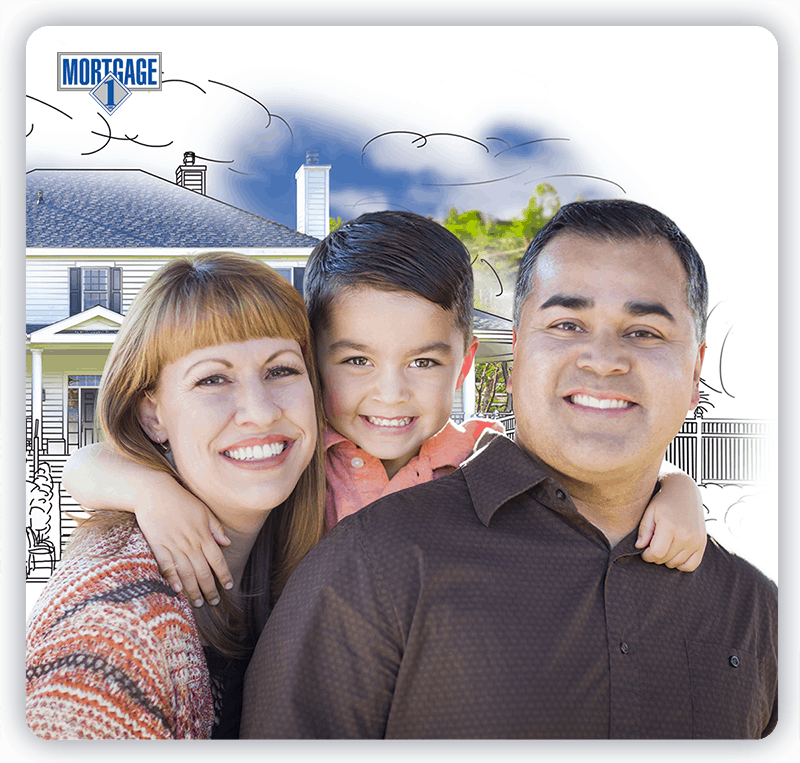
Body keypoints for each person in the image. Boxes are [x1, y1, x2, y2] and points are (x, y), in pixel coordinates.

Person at [239, 200, 778, 739]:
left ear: (696, 372)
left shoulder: (757, 611)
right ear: (517, 353)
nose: (603, 359)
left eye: (644, 332)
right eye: (567, 323)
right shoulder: (336, 519)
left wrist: (678, 487)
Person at [62, 212, 707, 609]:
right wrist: (153, 494)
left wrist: (676, 488)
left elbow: (593, 488)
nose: (391, 395)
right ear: (313, 362)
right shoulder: (294, 461)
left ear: (464, 362)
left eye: (423, 363)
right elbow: (84, 469)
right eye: (356, 362)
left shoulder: (486, 459)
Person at [26, 253, 326, 739]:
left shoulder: (318, 530)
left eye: (281, 371)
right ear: (153, 415)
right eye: (213, 379)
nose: (261, 412)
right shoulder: (119, 628)